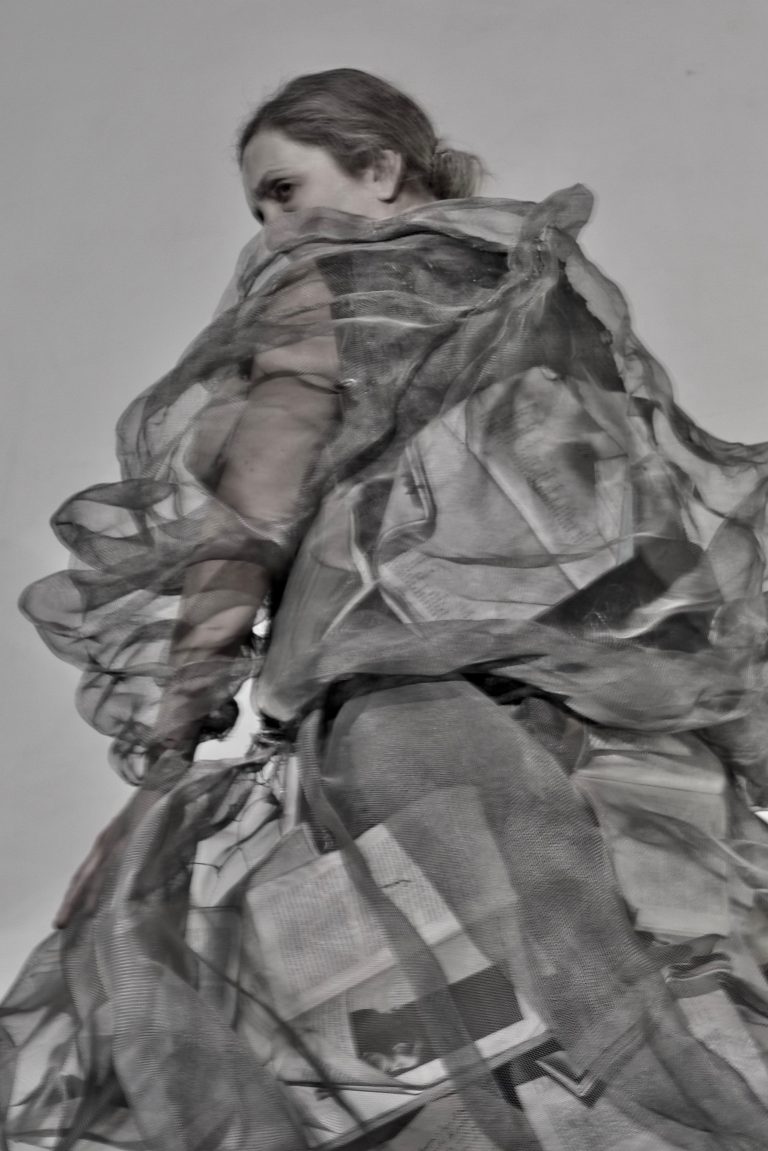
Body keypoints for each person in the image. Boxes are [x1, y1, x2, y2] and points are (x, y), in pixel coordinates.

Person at [2, 67, 768, 1151]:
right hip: (604, 722)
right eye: (259, 209)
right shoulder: (543, 292)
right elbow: (635, 520)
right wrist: (733, 722)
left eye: (283, 189)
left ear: (378, 168)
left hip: (408, 702)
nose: (273, 227)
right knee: (613, 1003)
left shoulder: (322, 290)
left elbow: (251, 512)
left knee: (355, 1017)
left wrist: (181, 702)